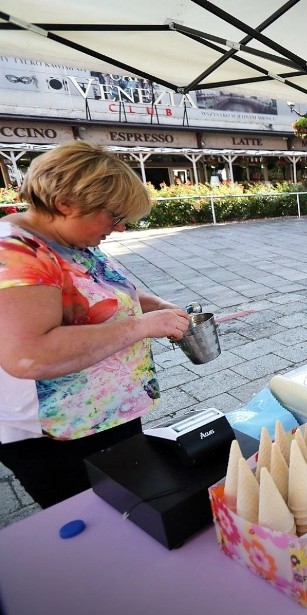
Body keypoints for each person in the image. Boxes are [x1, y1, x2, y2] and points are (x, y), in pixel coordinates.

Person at [0, 141, 191, 508]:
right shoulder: (16, 253)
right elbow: (29, 356)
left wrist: (156, 305)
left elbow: (101, 290)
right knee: (98, 519)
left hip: (104, 414)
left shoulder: (67, 236)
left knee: (134, 507)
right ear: (65, 203)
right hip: (60, 433)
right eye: (114, 216)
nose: (120, 229)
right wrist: (143, 326)